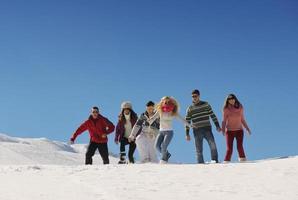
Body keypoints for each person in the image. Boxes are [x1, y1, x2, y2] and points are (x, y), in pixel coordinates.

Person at [148, 96, 192, 164]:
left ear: (170, 102)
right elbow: (153, 118)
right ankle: (167, 155)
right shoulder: (160, 111)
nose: (166, 103)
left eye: (168, 102)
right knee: (156, 146)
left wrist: (189, 125)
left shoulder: (172, 112)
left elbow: (182, 119)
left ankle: (163, 159)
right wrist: (149, 120)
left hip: (169, 132)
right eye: (165, 101)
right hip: (161, 131)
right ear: (162, 102)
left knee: (163, 146)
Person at [185, 89, 221, 164]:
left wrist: (217, 125)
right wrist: (187, 134)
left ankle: (215, 161)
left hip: (207, 128)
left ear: (199, 96)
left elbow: (212, 115)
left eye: (195, 96)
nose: (194, 97)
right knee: (199, 149)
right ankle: (200, 164)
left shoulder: (206, 104)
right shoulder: (190, 108)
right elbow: (187, 122)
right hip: (197, 130)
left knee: (213, 146)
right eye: (193, 96)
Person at [222, 94, 251, 162]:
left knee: (239, 147)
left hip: (239, 131)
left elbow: (242, 119)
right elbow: (224, 120)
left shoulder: (240, 107)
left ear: (235, 99)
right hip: (229, 131)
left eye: (232, 99)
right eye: (229, 99)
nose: (231, 100)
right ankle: (226, 162)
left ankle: (243, 160)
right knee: (229, 149)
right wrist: (223, 129)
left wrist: (247, 129)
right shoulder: (226, 109)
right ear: (227, 101)